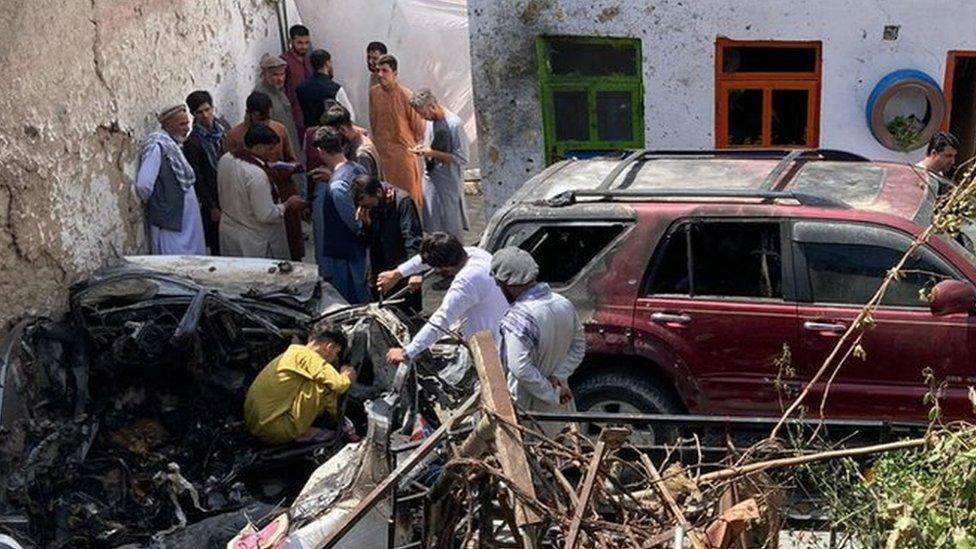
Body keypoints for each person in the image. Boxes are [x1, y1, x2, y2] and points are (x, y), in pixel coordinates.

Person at [491, 247, 585, 435]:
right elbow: (579, 347)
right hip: (561, 405)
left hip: (529, 409)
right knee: (564, 456)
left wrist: (551, 394)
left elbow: (519, 368)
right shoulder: (563, 303)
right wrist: (559, 377)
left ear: (507, 284)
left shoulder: (519, 316)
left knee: (535, 459)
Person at [378, 233, 509, 365]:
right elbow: (424, 260)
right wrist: (397, 273)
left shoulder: (467, 281)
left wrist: (408, 352)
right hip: (500, 335)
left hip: (493, 353)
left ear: (445, 268)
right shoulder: (474, 253)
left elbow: (442, 319)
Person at [244, 322, 357, 445]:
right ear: (329, 347)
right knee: (321, 386)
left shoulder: (294, 353)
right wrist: (347, 375)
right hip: (273, 430)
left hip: (256, 423)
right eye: (336, 352)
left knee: (315, 382)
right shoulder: (310, 358)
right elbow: (340, 385)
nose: (335, 356)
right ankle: (307, 432)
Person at [226, 92, 305, 261]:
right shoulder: (234, 136)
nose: (266, 124)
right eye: (261, 120)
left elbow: (291, 158)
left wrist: (286, 168)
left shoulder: (279, 129)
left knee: (290, 240)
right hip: (252, 197)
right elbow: (235, 169)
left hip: (281, 188)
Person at [135, 104, 206, 255]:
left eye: (187, 123)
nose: (187, 128)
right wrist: (160, 205)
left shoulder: (173, 145)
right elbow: (144, 185)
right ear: (167, 124)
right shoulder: (157, 146)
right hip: (170, 222)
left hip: (185, 221)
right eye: (182, 124)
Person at [311, 126, 369, 304]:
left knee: (350, 300)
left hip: (346, 253)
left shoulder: (337, 187)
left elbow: (354, 222)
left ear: (321, 151)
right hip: (355, 250)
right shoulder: (357, 168)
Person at [351, 174, 422, 308]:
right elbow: (364, 241)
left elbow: (412, 239)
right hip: (379, 271)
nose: (369, 208)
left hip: (401, 268)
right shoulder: (366, 207)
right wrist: (366, 226)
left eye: (370, 204)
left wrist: (415, 271)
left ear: (378, 192)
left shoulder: (401, 202)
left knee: (407, 314)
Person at [410, 89, 470, 240]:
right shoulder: (431, 122)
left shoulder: (453, 124)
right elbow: (429, 144)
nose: (422, 117)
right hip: (431, 178)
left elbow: (462, 158)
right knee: (433, 225)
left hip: (448, 182)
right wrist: (422, 148)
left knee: (450, 226)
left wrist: (431, 153)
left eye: (423, 113)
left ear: (432, 106)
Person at [369, 54, 426, 208]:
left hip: (403, 155)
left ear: (395, 73)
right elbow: (374, 121)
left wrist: (405, 145)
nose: (380, 74)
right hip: (383, 154)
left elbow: (419, 129)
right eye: (378, 70)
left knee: (408, 199)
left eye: (385, 71)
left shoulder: (406, 95)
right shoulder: (374, 93)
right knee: (387, 199)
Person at [182, 90, 231, 255]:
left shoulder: (223, 128)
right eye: (199, 112)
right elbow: (198, 178)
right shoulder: (193, 142)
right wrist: (211, 207)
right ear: (193, 114)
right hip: (213, 196)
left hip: (231, 189)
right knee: (218, 242)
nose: (205, 115)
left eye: (207, 110)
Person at [296, 49, 356, 131]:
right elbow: (350, 116)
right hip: (332, 136)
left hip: (312, 135)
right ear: (327, 63)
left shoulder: (301, 88)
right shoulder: (335, 89)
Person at [254, 53, 302, 153]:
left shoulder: (279, 91)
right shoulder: (260, 95)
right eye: (275, 75)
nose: (280, 79)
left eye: (282, 74)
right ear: (265, 74)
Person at [322, 103, 381, 179]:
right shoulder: (354, 138)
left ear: (342, 130)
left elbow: (362, 187)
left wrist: (332, 176)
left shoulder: (361, 155)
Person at [281, 24, 314, 138]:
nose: (304, 47)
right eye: (300, 43)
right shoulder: (284, 61)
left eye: (306, 43)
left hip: (312, 114)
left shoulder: (310, 59)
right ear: (291, 41)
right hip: (295, 116)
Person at [916, 131, 960, 197]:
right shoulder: (916, 175)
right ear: (934, 153)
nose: (952, 162)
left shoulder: (942, 179)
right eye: (948, 156)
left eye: (954, 156)